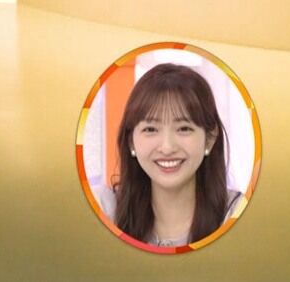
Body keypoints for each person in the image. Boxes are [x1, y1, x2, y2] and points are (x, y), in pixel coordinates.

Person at [93, 63, 245, 248]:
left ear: (210, 139)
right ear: (131, 141)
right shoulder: (102, 210)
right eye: (151, 129)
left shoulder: (238, 215)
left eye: (184, 129)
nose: (167, 147)